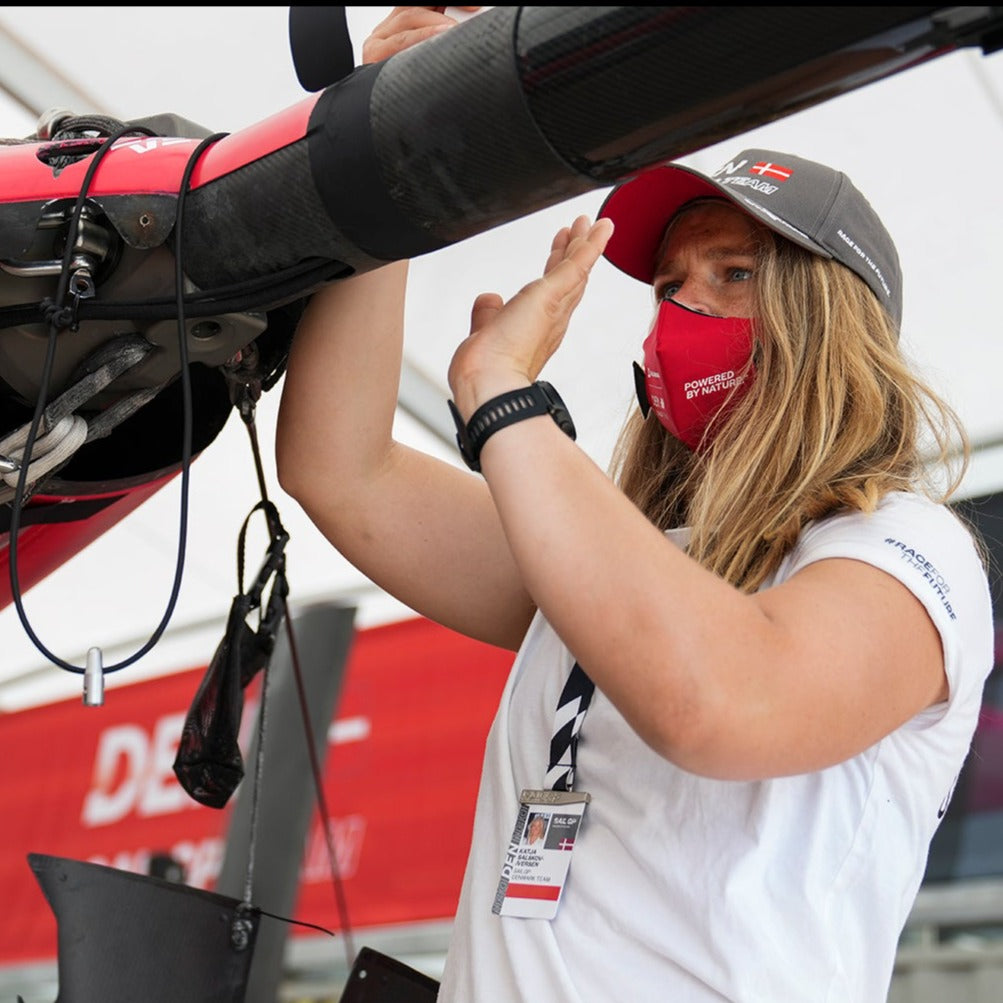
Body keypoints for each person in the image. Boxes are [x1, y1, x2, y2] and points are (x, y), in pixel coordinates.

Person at [275, 8, 994, 1001]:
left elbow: (717, 702)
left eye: (734, 275)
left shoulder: (905, 543)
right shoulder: (624, 552)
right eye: (669, 284)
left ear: (826, 321)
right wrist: (380, 157)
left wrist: (505, 396)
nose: (685, 309)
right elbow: (339, 467)